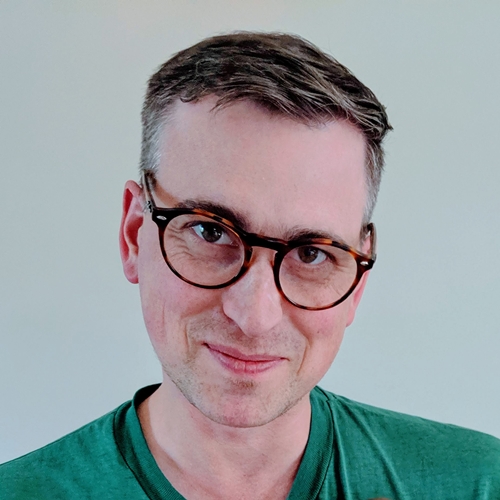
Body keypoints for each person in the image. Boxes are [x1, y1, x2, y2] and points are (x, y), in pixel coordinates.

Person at [1, 31, 499, 500]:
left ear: (359, 280)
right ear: (134, 234)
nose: (254, 316)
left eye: (311, 253)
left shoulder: (478, 485)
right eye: (210, 232)